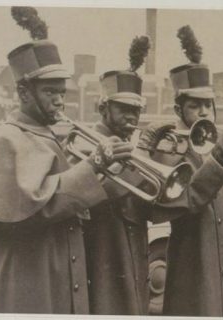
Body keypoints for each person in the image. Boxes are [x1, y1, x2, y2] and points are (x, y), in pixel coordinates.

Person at [0, 40, 132, 314]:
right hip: (29, 279)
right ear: (23, 92)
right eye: (50, 92)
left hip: (60, 275)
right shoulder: (6, 138)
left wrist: (110, 169)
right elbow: (35, 209)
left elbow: (67, 198)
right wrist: (93, 164)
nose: (59, 100)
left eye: (62, 92)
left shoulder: (51, 135)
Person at [137, 25, 223, 317]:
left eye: (207, 105)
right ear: (178, 109)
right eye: (194, 106)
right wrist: (221, 154)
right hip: (193, 265)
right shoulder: (169, 146)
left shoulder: (218, 142)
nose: (203, 113)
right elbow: (182, 202)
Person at [69, 36, 153, 315]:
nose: (132, 117)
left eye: (136, 110)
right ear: (103, 107)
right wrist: (140, 155)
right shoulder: (82, 144)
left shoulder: (132, 145)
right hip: (102, 253)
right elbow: (93, 199)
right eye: (123, 109)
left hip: (134, 256)